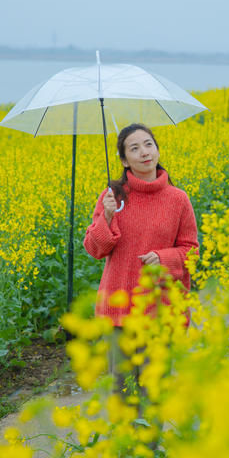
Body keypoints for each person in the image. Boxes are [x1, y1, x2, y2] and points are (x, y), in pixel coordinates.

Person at [83, 123, 199, 393]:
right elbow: (94, 249)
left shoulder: (178, 199)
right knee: (122, 393)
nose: (144, 153)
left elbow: (190, 251)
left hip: (158, 309)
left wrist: (163, 257)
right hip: (118, 311)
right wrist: (107, 216)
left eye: (148, 144)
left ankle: (152, 438)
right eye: (134, 148)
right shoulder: (112, 197)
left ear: (157, 149)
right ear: (124, 160)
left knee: (153, 393)